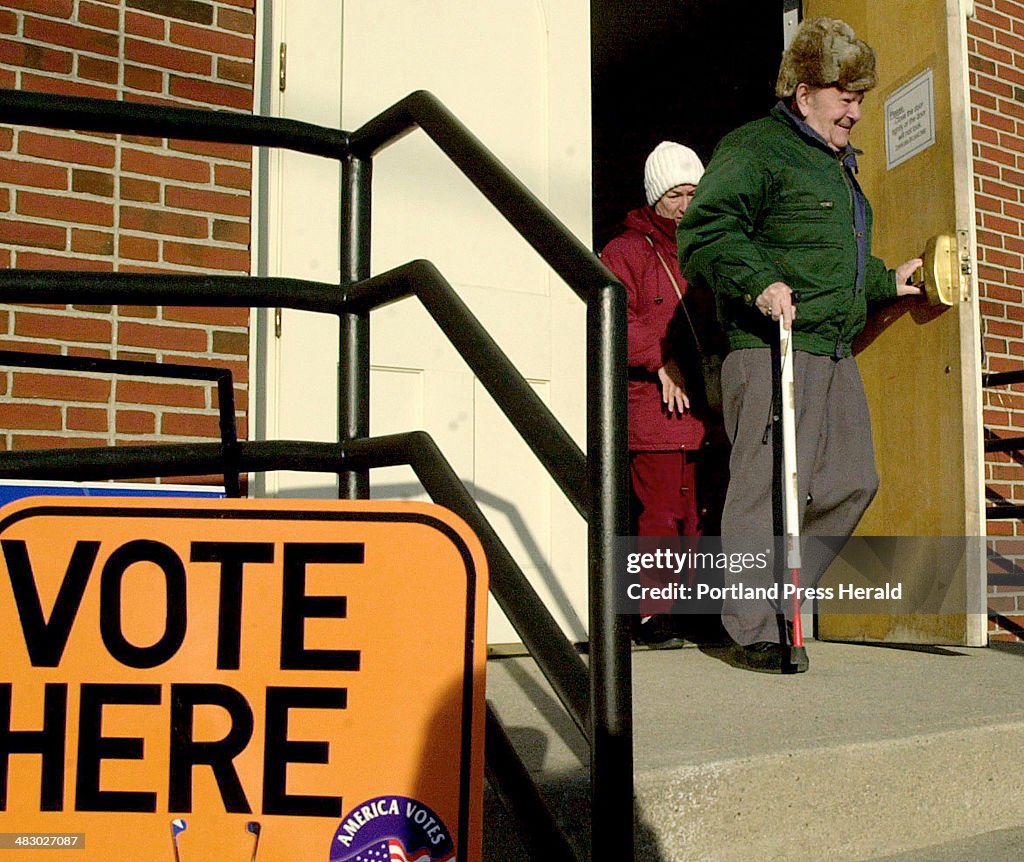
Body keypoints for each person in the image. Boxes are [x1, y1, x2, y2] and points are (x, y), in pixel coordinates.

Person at [677, 17, 923, 672]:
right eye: (844, 92)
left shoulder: (839, 168)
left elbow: (832, 258)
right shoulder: (756, 147)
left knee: (852, 481)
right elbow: (705, 231)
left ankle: (776, 591)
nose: (856, 108)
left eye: (861, 95)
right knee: (762, 490)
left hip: (831, 348)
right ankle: (754, 626)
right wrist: (757, 282)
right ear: (803, 90)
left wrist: (887, 280)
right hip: (767, 343)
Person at [601, 141, 721, 649]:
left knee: (700, 512)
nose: (687, 204)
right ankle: (651, 614)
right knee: (661, 512)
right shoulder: (625, 251)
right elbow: (611, 317)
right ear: (655, 197)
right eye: (676, 193)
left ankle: (690, 609)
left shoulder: (707, 249)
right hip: (655, 407)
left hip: (705, 405)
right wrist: (660, 358)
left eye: (695, 192)